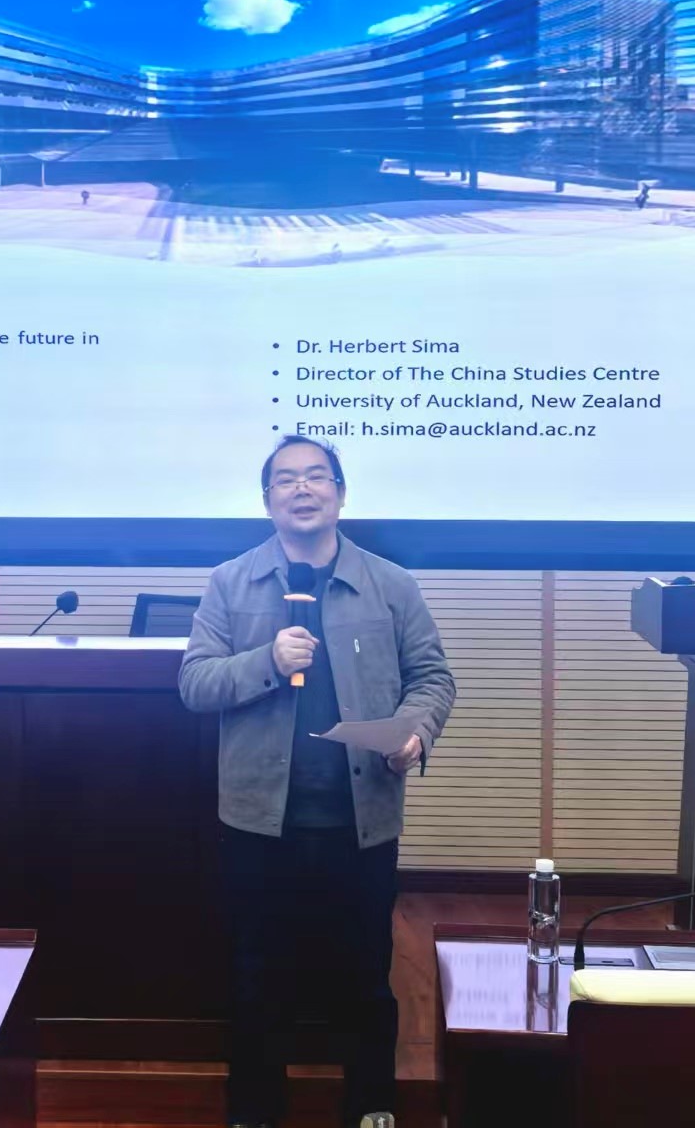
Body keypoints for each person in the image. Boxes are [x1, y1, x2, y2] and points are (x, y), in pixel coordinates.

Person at [179, 435, 456, 1128]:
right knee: (256, 977)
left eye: (315, 477)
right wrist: (266, 660)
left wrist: (416, 731)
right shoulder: (231, 582)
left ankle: (372, 1105)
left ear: (340, 492)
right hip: (259, 820)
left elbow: (432, 678)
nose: (301, 489)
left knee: (365, 976)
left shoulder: (391, 584)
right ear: (266, 499)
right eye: (285, 480)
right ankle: (255, 1111)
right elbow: (195, 682)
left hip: (360, 819)